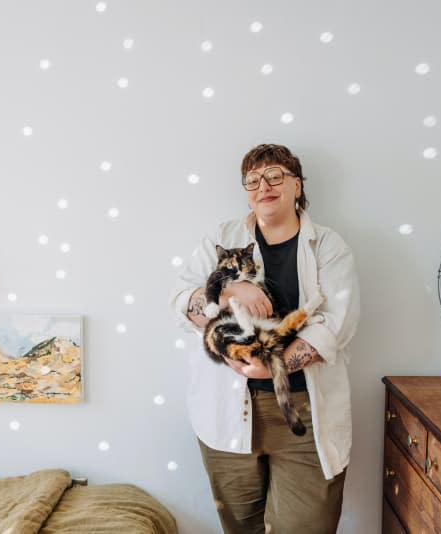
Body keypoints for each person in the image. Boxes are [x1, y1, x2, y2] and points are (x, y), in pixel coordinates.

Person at [171, 144, 360, 533]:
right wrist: (228, 292)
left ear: (297, 185)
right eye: (253, 180)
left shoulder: (329, 246)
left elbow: (338, 323)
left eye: (275, 176)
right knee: (242, 527)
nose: (263, 186)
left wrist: (271, 365)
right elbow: (180, 301)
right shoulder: (221, 237)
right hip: (226, 409)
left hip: (304, 411)